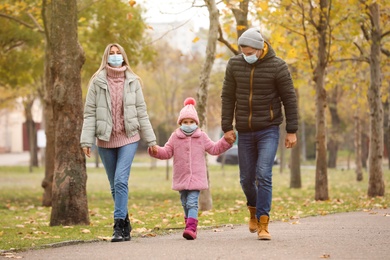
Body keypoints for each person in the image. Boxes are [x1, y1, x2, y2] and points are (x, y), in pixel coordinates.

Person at [221, 28, 298, 240]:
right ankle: (253, 209)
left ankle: (264, 223)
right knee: (246, 179)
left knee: (264, 174)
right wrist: (227, 127)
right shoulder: (234, 65)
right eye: (243, 52)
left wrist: (291, 130)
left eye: (249, 52)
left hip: (269, 129)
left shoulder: (278, 66)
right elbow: (227, 97)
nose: (246, 56)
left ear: (260, 47)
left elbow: (289, 99)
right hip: (244, 131)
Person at [80, 43, 158, 242]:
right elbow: (89, 114)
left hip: (128, 137)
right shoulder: (97, 82)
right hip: (105, 139)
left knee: (121, 180)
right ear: (106, 58)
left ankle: (118, 226)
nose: (115, 57)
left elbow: (141, 111)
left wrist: (151, 140)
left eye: (118, 53)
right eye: (111, 54)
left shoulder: (133, 81)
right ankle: (126, 221)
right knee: (114, 186)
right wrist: (86, 141)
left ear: (123, 57)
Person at [148, 97, 234, 240]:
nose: (189, 125)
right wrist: (155, 151)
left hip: (196, 177)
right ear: (180, 123)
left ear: (196, 123)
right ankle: (188, 224)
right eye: (185, 122)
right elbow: (167, 152)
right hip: (181, 176)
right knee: (184, 201)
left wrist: (225, 141)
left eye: (191, 122)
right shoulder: (175, 137)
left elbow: (213, 148)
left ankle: (191, 228)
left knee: (192, 201)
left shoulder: (201, 136)